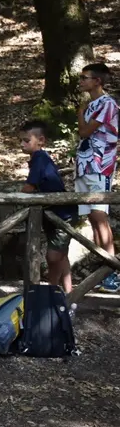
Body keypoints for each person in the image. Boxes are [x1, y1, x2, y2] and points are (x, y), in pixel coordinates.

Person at [75, 63, 118, 292]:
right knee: (92, 218)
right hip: (85, 165)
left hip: (100, 166)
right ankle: (102, 272)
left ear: (97, 81)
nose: (80, 81)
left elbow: (85, 132)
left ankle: (111, 272)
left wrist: (80, 114)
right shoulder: (90, 104)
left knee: (100, 217)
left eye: (85, 77)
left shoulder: (107, 104)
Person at [20, 120, 75, 294]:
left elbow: (29, 187)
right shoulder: (38, 159)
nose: (22, 144)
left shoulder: (40, 158)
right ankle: (69, 293)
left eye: (26, 140)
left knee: (53, 256)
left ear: (41, 140)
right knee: (61, 256)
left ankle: (52, 290)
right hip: (53, 214)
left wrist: (19, 195)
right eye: (21, 140)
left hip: (62, 215)